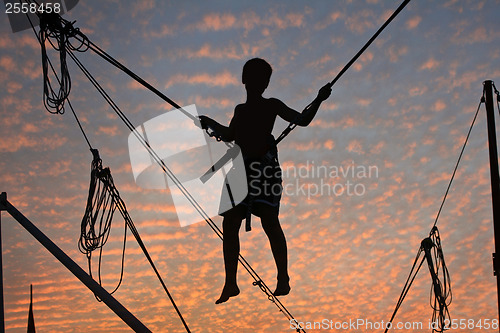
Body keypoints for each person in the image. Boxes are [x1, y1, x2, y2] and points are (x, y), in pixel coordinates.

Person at [199, 58, 331, 304]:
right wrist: (208, 122)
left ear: (266, 83)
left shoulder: (272, 105)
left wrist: (319, 100)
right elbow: (228, 134)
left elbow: (301, 120)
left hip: (264, 169)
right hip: (241, 171)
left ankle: (283, 277)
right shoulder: (240, 110)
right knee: (230, 224)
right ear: (245, 80)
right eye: (256, 78)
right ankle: (230, 282)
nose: (260, 83)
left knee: (270, 221)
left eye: (264, 80)